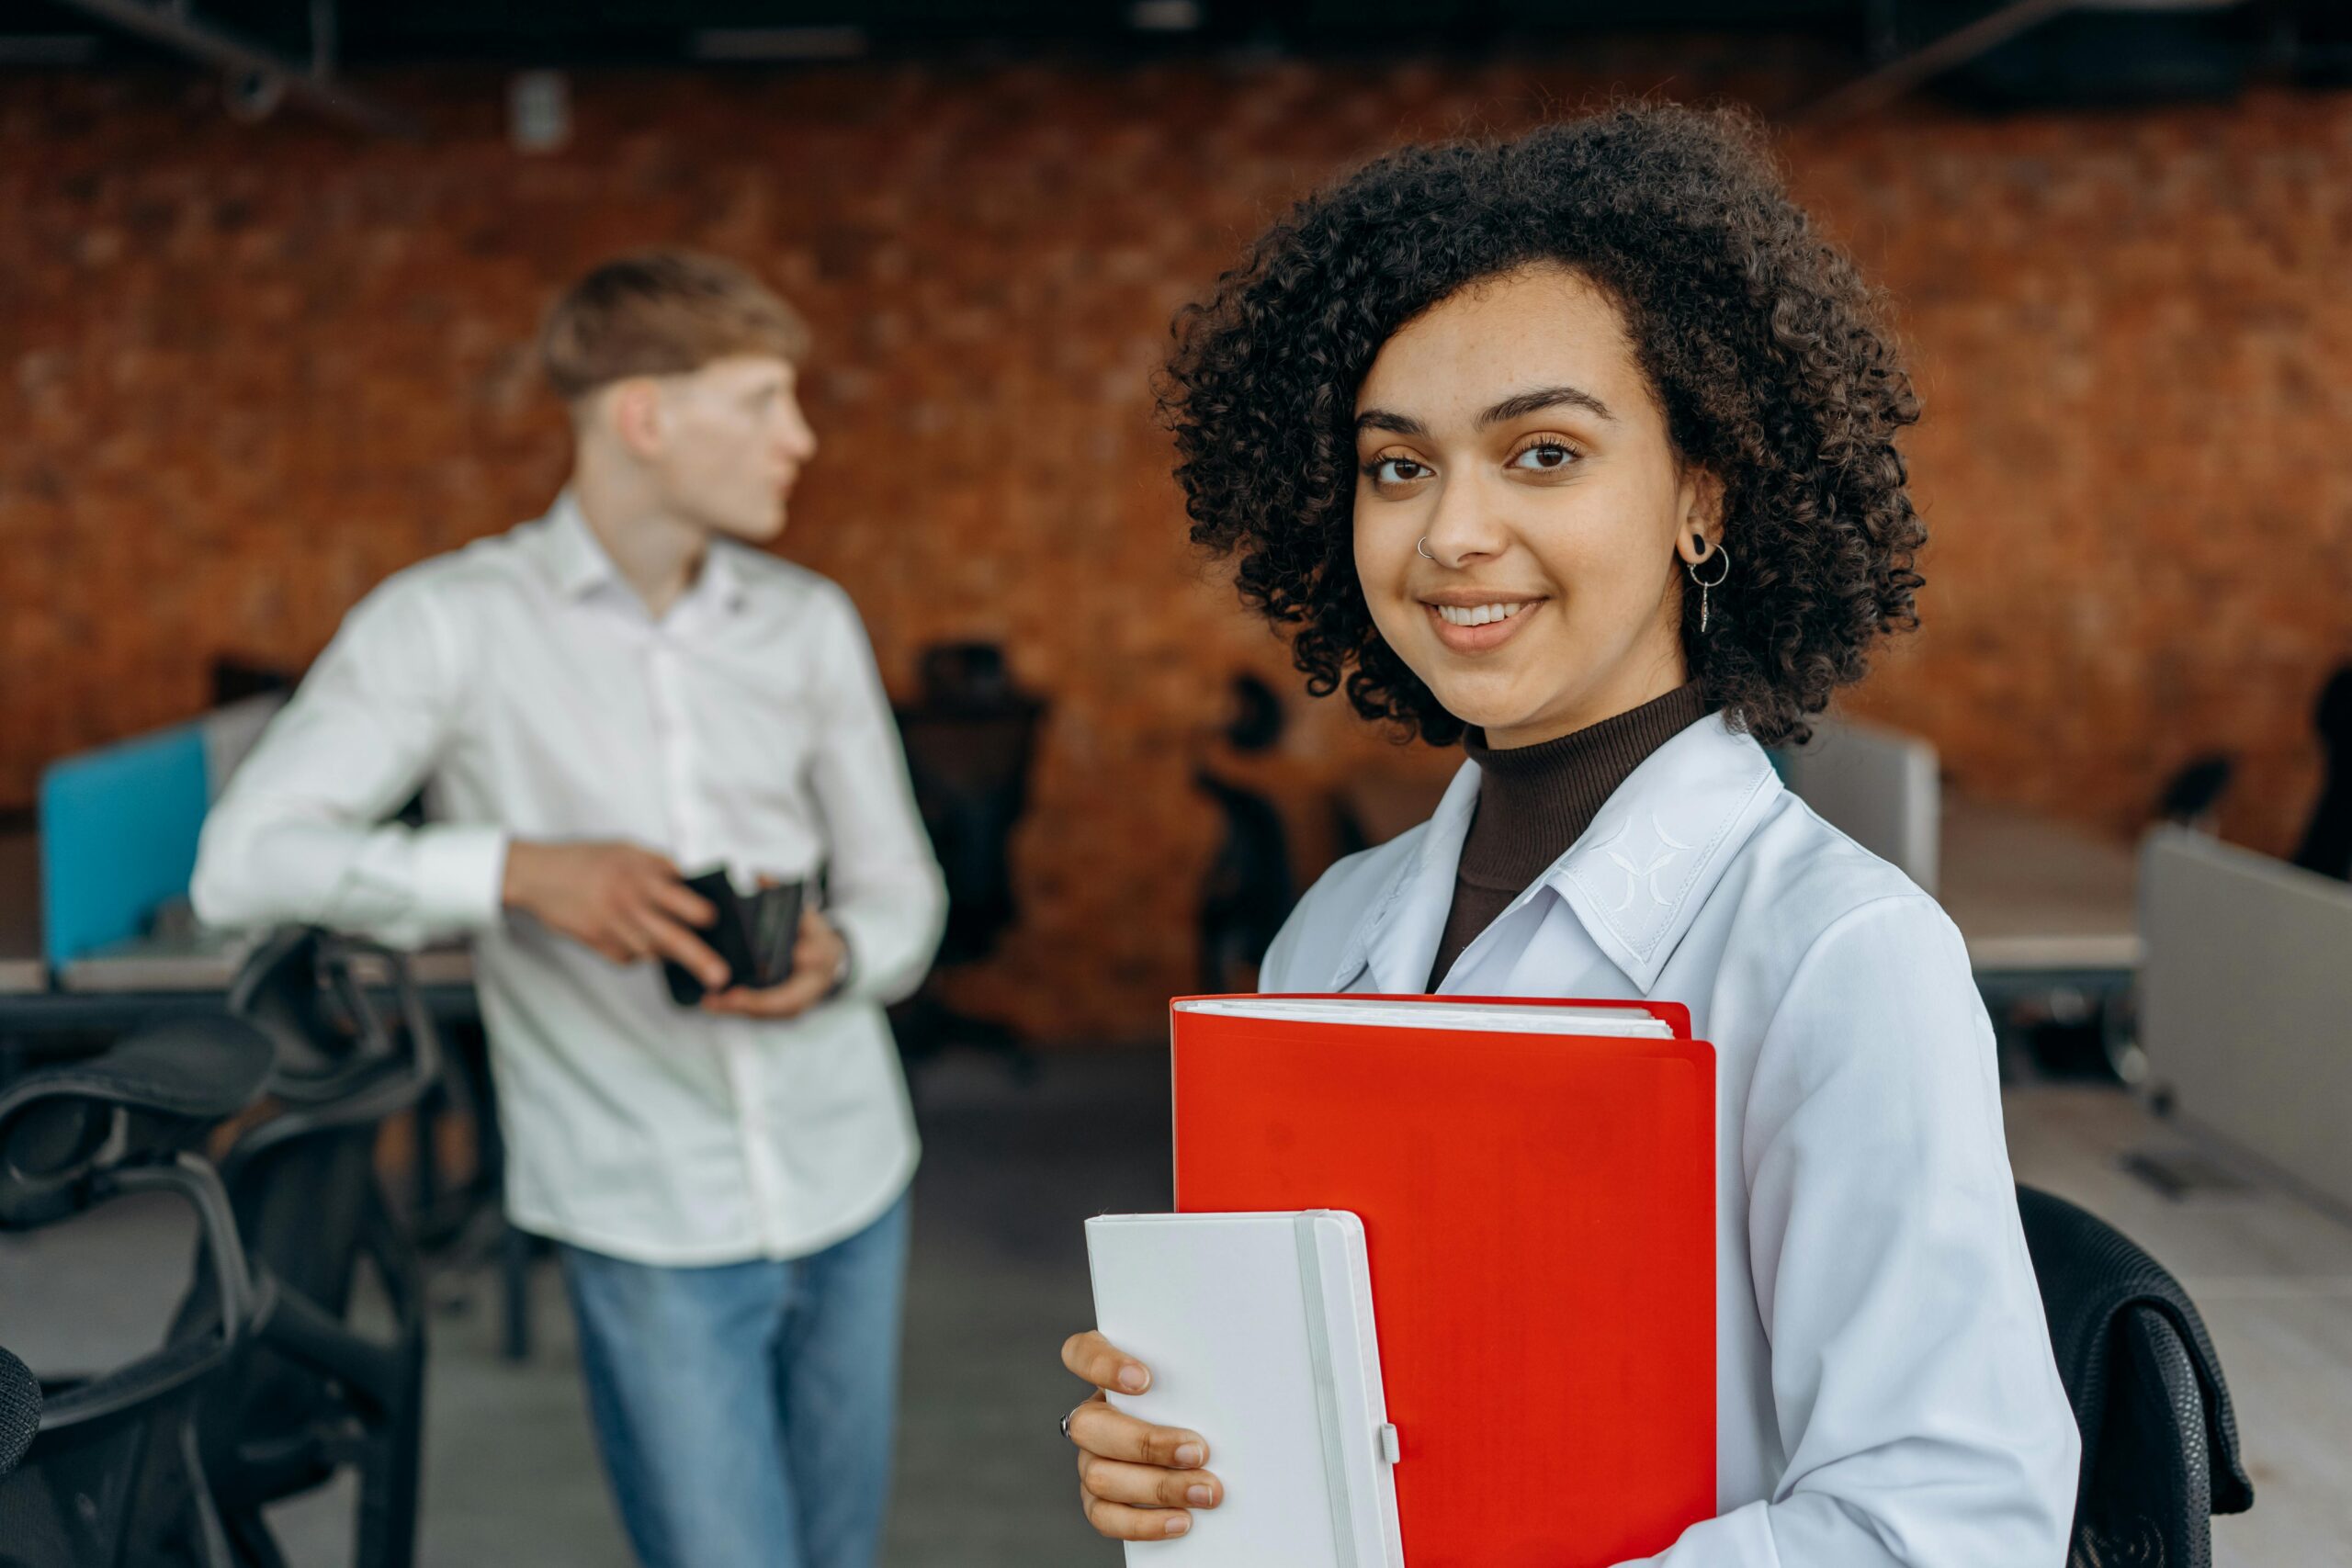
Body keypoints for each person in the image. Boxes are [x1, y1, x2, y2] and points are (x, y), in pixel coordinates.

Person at [1057, 105, 2080, 1563]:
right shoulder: (1332, 929)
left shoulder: (1838, 958)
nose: (1453, 533)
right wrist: (1174, 1453)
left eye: (1542, 454)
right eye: (1398, 468)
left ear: (1700, 497)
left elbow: (1954, 1526)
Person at [193, 250, 945, 1568]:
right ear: (645, 417)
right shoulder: (448, 626)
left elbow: (905, 893)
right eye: (765, 401)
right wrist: (512, 870)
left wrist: (843, 956)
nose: (803, 439)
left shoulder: (807, 625)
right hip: (644, 1211)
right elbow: (243, 862)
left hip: (850, 1176)